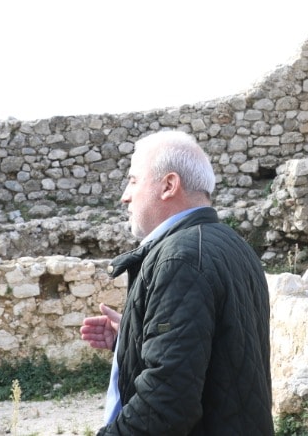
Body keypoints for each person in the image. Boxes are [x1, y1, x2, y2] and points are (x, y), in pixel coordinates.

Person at [80, 130, 272, 435]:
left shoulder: (180, 260)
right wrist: (131, 339)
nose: (125, 196)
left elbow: (165, 405)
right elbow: (216, 353)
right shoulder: (231, 243)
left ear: (169, 185)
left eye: (133, 181)